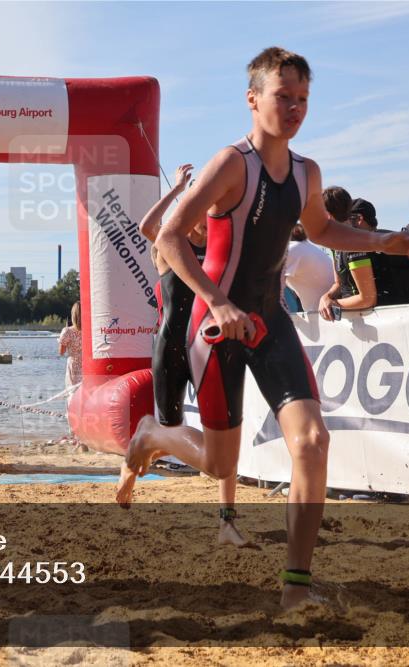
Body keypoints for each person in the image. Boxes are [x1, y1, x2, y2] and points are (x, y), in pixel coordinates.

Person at [120, 46, 409, 607]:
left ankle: (295, 588)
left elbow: (323, 229)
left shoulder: (307, 171)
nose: (295, 107)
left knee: (312, 441)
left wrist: (388, 242)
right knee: (219, 465)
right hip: (216, 329)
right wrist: (216, 302)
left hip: (271, 323)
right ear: (253, 98)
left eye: (303, 98)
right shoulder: (231, 164)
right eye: (284, 96)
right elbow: (166, 237)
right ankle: (151, 435)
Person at [138, 164, 250, 547]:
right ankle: (131, 465)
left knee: (226, 429)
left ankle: (227, 521)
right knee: (168, 432)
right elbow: (147, 226)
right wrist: (179, 190)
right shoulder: (171, 247)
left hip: (207, 347)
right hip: (170, 347)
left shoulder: (221, 250)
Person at [318, 194, 383, 320]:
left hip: (371, 319)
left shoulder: (354, 246)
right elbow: (339, 283)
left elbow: (368, 299)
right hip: (354, 319)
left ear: (328, 215)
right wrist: (326, 297)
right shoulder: (335, 244)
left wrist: (334, 304)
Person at [284, 223, 333, 313]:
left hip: (323, 313)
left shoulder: (291, 250)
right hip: (329, 311)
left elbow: (270, 287)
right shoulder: (306, 246)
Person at [58, 302, 83, 393]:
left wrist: (62, 337)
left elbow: (61, 352)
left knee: (73, 394)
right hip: (87, 366)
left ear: (73, 315)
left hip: (73, 366)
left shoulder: (67, 331)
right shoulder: (90, 330)